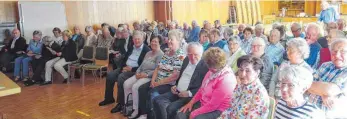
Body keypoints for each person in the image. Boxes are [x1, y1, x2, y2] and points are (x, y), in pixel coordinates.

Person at [98, 30, 151, 114]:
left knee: (121, 77)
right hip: (125, 68)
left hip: (135, 71)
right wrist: (122, 67)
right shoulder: (131, 47)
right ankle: (109, 98)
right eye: (135, 39)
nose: (136, 41)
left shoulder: (147, 50)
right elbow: (124, 59)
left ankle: (121, 103)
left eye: (138, 39)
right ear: (132, 39)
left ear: (143, 39)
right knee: (110, 75)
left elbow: (144, 66)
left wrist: (131, 69)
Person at [177, 47, 236, 119]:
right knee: (180, 115)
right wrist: (191, 102)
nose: (208, 68)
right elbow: (201, 89)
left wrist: (193, 113)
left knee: (196, 117)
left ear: (217, 65)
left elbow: (213, 105)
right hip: (204, 102)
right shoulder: (211, 72)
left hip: (217, 109)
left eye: (210, 66)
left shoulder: (226, 80)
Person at [152, 42, 208, 119]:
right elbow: (181, 76)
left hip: (188, 96)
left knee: (170, 108)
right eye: (190, 54)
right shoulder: (186, 60)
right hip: (177, 91)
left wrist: (189, 93)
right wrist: (175, 85)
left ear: (201, 54)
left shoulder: (205, 66)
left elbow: (204, 87)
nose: (192, 57)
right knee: (157, 100)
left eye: (195, 54)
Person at [123, 36, 164, 118]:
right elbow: (141, 65)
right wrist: (137, 72)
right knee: (126, 83)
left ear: (160, 43)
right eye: (152, 41)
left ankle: (136, 110)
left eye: (156, 41)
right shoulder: (148, 53)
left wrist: (146, 75)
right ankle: (129, 106)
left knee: (135, 87)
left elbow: (157, 70)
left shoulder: (161, 54)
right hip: (141, 74)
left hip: (149, 76)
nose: (153, 43)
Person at [307, 39, 347, 118]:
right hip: (310, 113)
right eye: (334, 51)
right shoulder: (325, 65)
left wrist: (319, 89)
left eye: (343, 51)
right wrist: (323, 93)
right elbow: (306, 84)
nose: (337, 55)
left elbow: (329, 90)